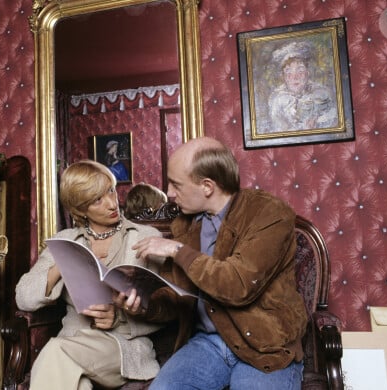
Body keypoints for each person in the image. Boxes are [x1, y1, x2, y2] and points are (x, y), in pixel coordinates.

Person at [129, 137, 308, 390]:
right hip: (208, 343)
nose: (169, 193)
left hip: (264, 346)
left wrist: (178, 250)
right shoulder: (185, 223)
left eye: (176, 184)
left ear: (207, 186)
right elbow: (175, 296)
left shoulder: (269, 213)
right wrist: (142, 305)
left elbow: (237, 285)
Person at [15, 159, 164, 390]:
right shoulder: (66, 241)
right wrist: (61, 265)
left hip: (123, 348)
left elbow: (165, 307)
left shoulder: (145, 237)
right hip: (73, 344)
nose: (112, 203)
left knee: (55, 351)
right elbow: (23, 297)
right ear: (80, 209)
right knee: (77, 382)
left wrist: (119, 317)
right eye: (98, 199)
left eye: (111, 190)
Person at [268, 41, 337, 132]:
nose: (294, 77)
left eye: (300, 70)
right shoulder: (278, 100)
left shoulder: (322, 94)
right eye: (288, 72)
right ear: (283, 76)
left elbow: (333, 120)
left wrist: (317, 121)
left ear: (307, 73)